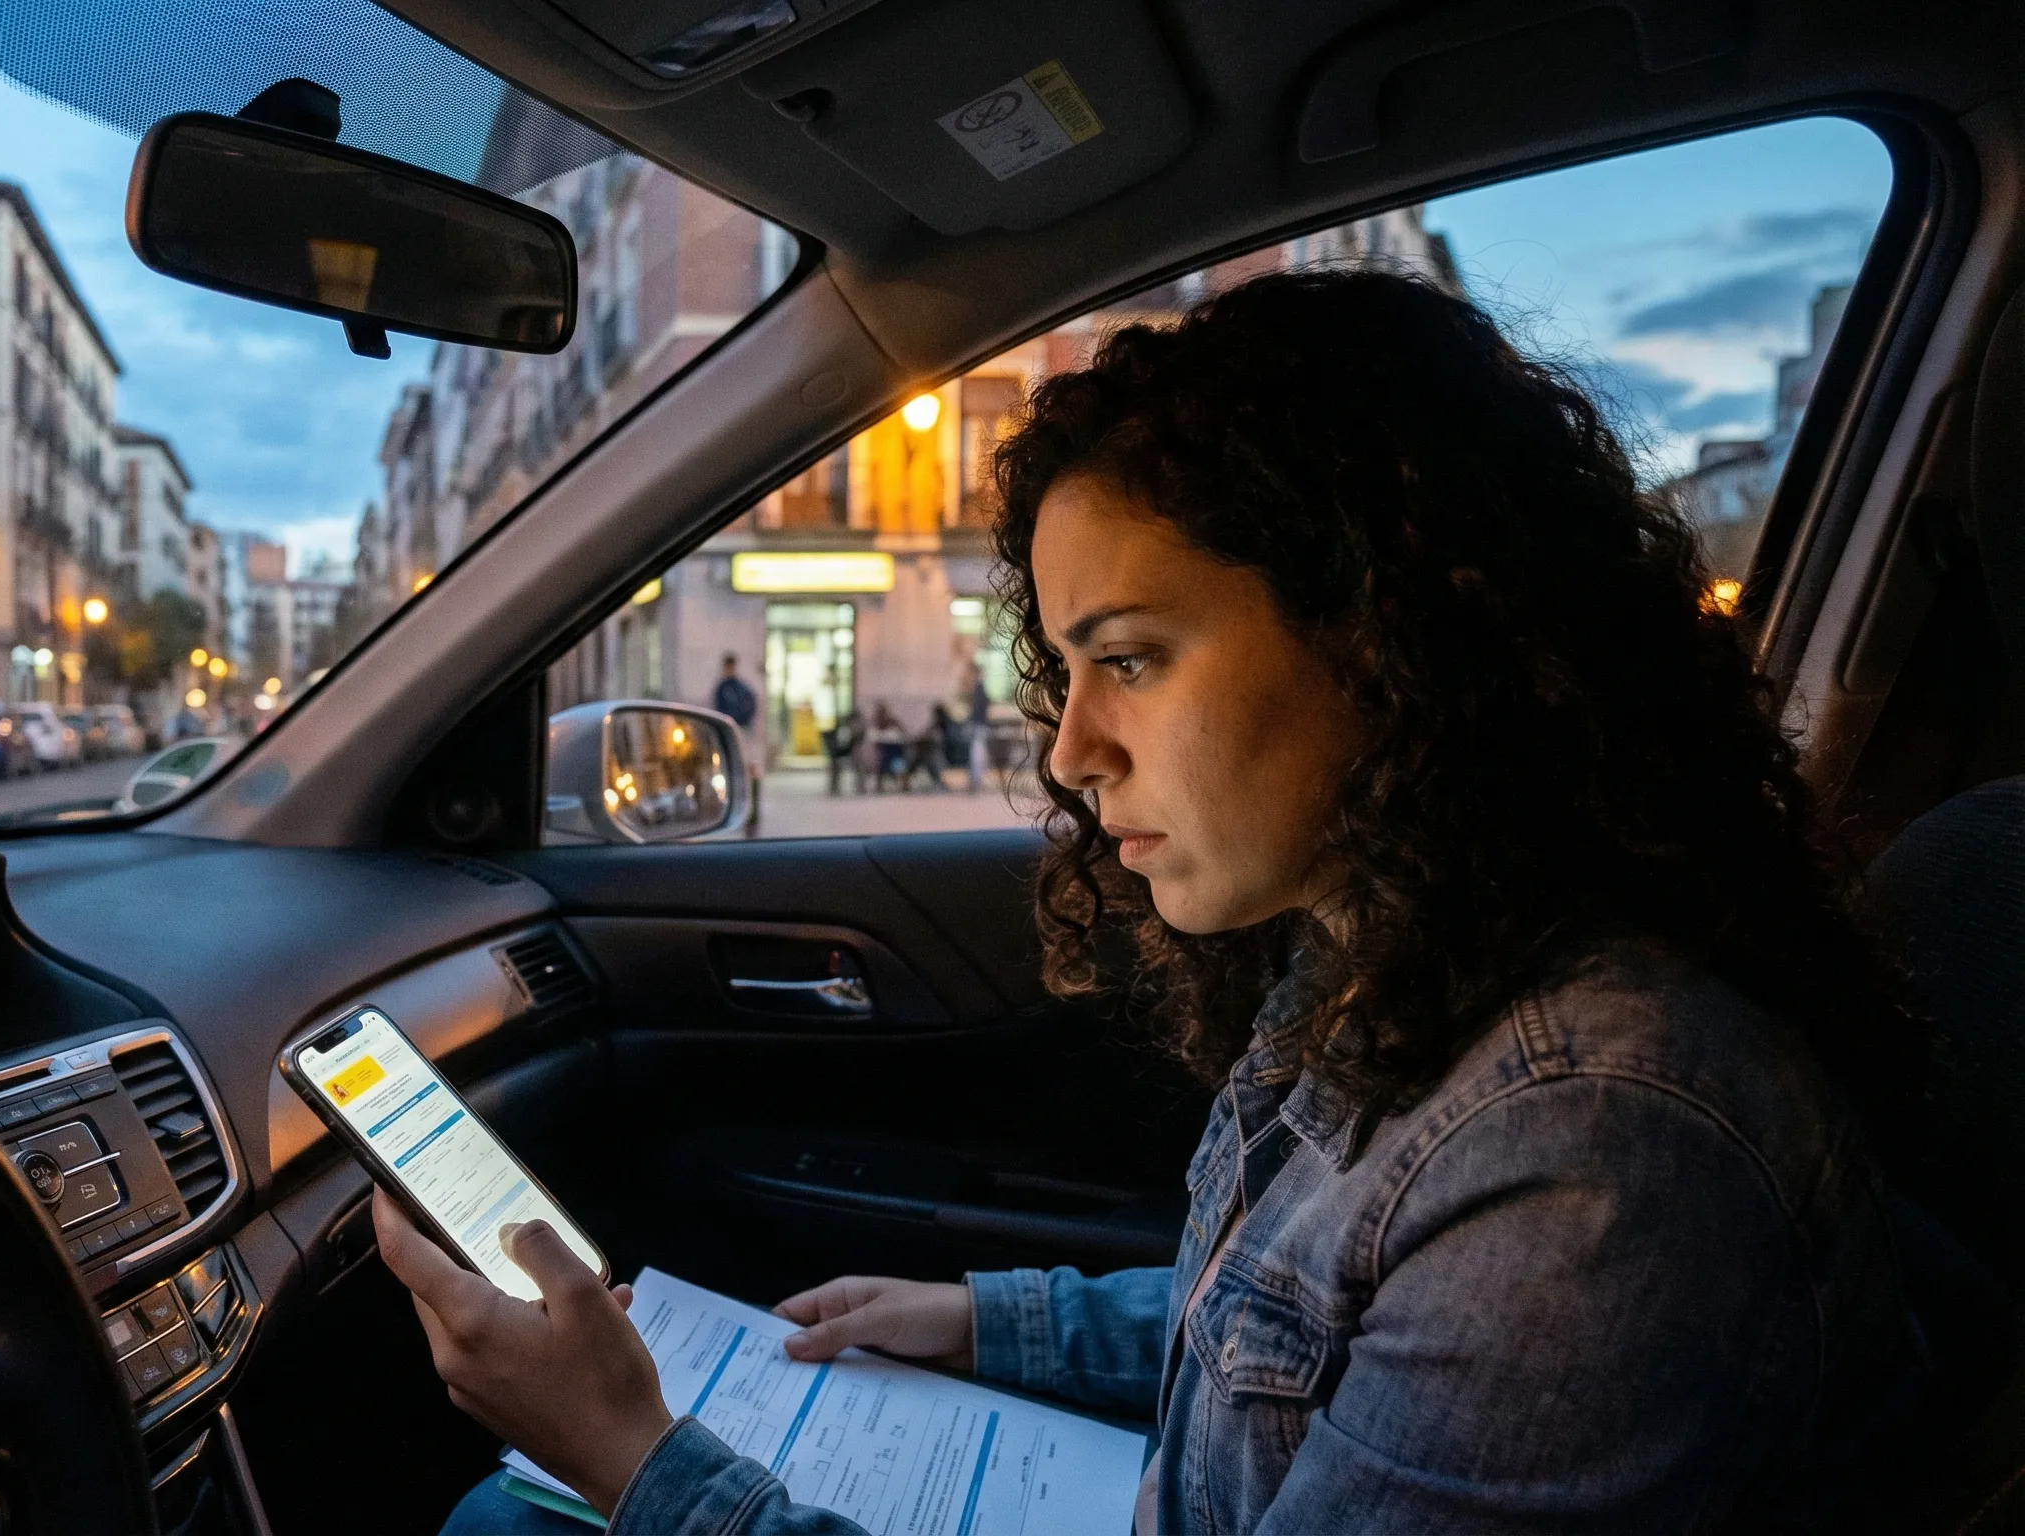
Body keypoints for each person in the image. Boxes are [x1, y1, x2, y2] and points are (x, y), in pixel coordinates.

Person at [386, 269, 1922, 1535]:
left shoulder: (1594, 1150)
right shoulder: (1402, 963)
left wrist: (642, 1466)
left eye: (1128, 658)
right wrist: (994, 1322)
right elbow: (1305, 1334)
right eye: (1068, 671)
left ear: (1396, 635)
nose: (1070, 749)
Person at [710, 654, 762, 837]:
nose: (729, 670)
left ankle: (751, 817)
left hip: (742, 731)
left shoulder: (740, 688)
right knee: (731, 774)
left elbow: (752, 703)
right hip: (729, 733)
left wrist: (743, 720)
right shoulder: (722, 689)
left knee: (750, 772)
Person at [821, 709, 863, 796]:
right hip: (841, 754)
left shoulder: (855, 731)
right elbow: (841, 745)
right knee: (835, 764)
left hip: (848, 754)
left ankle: (860, 786)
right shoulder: (843, 731)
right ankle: (834, 788)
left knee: (860, 764)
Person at [965, 665, 993, 792]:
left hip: (978, 725)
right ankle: (976, 778)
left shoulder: (978, 689)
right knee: (978, 753)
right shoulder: (978, 688)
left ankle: (976, 778)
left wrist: (973, 724)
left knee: (977, 753)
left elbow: (979, 709)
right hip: (979, 725)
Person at [867, 704, 907, 790]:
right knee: (881, 765)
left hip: (896, 749)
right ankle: (879, 786)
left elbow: (902, 733)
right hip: (884, 750)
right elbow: (873, 736)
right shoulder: (876, 723)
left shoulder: (892, 722)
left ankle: (904, 784)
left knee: (898, 766)